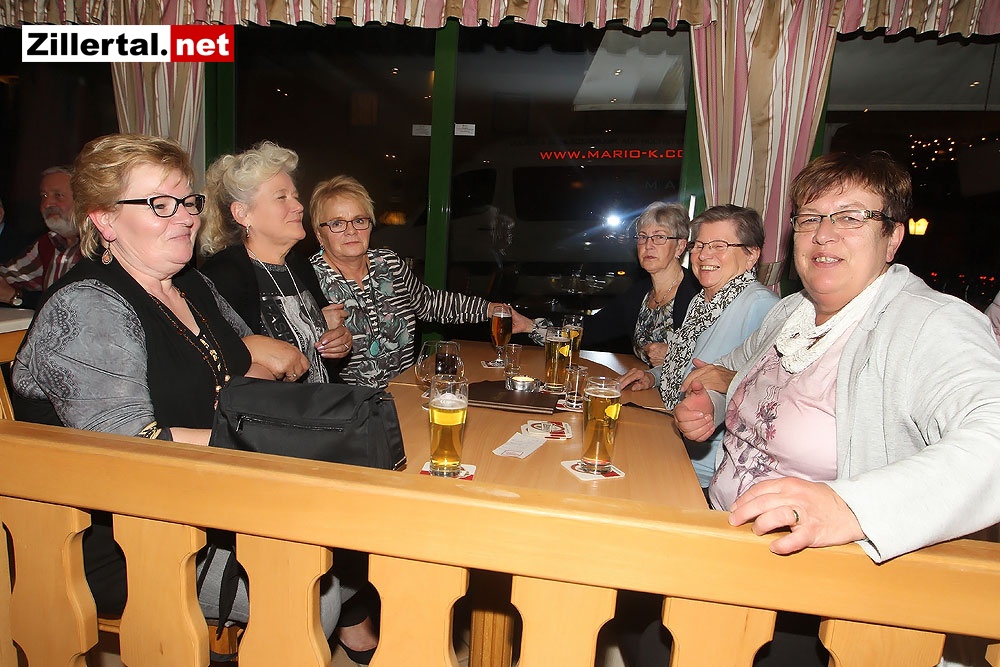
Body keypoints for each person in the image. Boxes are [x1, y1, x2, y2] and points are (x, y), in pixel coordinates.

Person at [9, 133, 342, 651]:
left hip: (203, 498)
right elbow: (129, 446)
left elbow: (243, 367)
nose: (185, 217)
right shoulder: (88, 308)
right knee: (315, 592)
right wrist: (266, 442)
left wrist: (288, 422)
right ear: (105, 220)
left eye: (188, 201)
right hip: (120, 539)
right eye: (159, 204)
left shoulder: (189, 283)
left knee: (346, 536)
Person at [677, 151, 1000, 563]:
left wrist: (850, 505)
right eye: (810, 218)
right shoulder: (791, 311)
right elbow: (731, 373)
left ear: (892, 238)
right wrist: (712, 402)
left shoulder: (929, 322)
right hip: (720, 525)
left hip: (817, 571)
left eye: (850, 217)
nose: (823, 235)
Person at [309, 175, 533, 388]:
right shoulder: (308, 279)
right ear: (320, 234)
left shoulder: (389, 263)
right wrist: (317, 330)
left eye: (359, 220)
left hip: (405, 394)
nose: (351, 231)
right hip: (349, 405)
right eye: (337, 223)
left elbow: (429, 302)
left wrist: (488, 309)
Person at [618, 205, 778, 489]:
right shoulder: (702, 301)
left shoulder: (761, 307)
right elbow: (689, 367)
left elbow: (772, 396)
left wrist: (728, 384)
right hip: (671, 435)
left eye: (719, 246)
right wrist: (653, 376)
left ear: (751, 254)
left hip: (705, 469)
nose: (704, 255)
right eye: (700, 245)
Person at [199, 141, 353, 383]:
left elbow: (322, 350)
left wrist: (339, 342)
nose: (299, 207)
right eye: (282, 197)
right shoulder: (224, 275)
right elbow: (211, 360)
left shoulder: (298, 266)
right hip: (272, 407)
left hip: (320, 402)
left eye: (295, 197)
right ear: (242, 214)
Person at [0, 166, 83, 308]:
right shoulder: (49, 242)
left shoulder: (101, 245)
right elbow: (10, 276)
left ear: (83, 201)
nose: (47, 204)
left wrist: (15, 296)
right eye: (44, 196)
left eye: (58, 195)